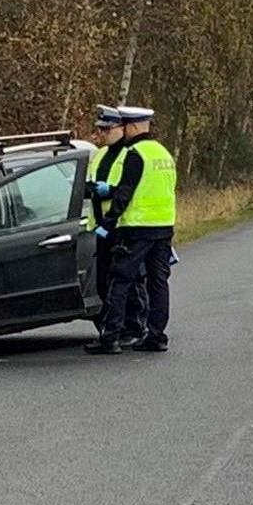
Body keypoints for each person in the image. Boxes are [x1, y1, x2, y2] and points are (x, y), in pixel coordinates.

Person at [85, 105, 176, 354]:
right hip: (164, 226)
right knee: (158, 283)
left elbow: (125, 193)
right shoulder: (163, 153)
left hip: (136, 227)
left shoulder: (136, 154)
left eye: (124, 126)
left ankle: (110, 337)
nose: (122, 130)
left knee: (120, 279)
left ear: (133, 126)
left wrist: (108, 222)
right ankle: (156, 336)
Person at [86, 105, 148, 345]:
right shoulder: (100, 154)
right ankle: (112, 328)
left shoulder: (130, 154)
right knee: (104, 282)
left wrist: (108, 191)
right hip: (101, 227)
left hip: (123, 226)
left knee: (130, 281)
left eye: (107, 129)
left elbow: (129, 189)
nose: (103, 134)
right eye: (100, 129)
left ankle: (134, 328)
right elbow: (92, 183)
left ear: (122, 128)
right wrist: (90, 190)